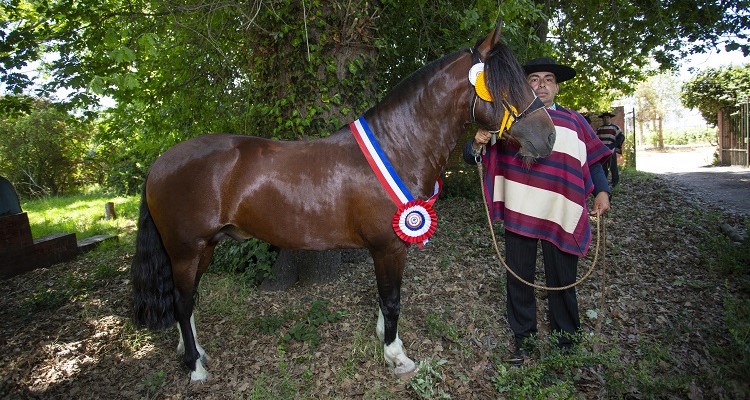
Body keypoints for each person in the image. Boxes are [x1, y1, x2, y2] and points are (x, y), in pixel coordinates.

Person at [463, 57, 612, 366]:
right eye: (534, 79)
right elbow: (473, 156)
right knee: (519, 278)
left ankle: (566, 342)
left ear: (556, 87)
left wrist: (601, 191)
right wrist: (476, 142)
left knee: (562, 278)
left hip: (561, 210)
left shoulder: (575, 122)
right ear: (524, 86)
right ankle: (524, 340)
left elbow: (593, 161)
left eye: (548, 79)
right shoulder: (509, 122)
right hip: (521, 210)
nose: (541, 84)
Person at [596, 111, 625, 187]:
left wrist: (613, 145)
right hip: (603, 151)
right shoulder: (599, 129)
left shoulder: (615, 128)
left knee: (613, 166)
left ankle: (615, 182)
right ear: (602, 119)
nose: (606, 119)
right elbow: (596, 140)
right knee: (603, 167)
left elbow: (621, 137)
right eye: (604, 118)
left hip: (611, 150)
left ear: (610, 118)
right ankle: (604, 182)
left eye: (607, 117)